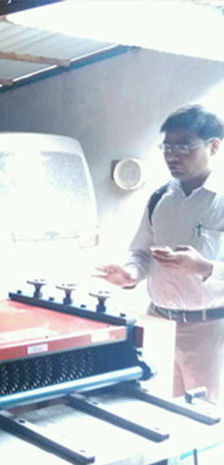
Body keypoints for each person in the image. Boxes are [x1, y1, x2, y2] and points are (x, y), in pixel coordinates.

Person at [95, 104, 224, 406]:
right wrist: (131, 274)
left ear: (214, 146)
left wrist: (203, 266)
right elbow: (141, 253)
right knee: (155, 407)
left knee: (204, 413)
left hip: (207, 330)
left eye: (184, 146)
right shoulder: (160, 198)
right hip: (157, 322)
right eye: (167, 147)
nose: (172, 156)